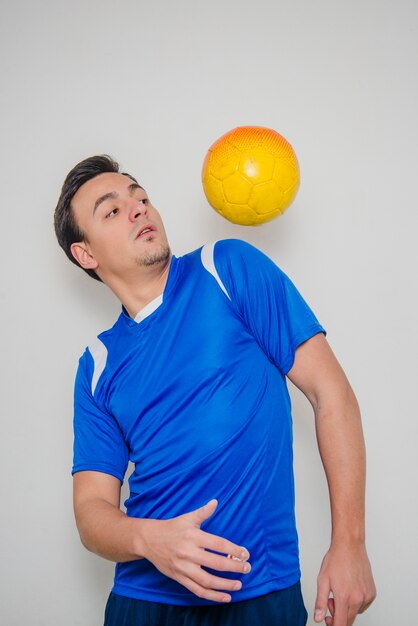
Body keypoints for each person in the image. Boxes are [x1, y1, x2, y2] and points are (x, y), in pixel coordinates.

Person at [54, 155, 376, 626]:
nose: (139, 208)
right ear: (86, 254)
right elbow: (91, 512)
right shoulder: (97, 365)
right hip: (143, 601)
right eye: (112, 210)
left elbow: (332, 395)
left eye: (140, 197)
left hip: (259, 590)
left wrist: (350, 546)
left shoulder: (227, 268)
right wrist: (149, 540)